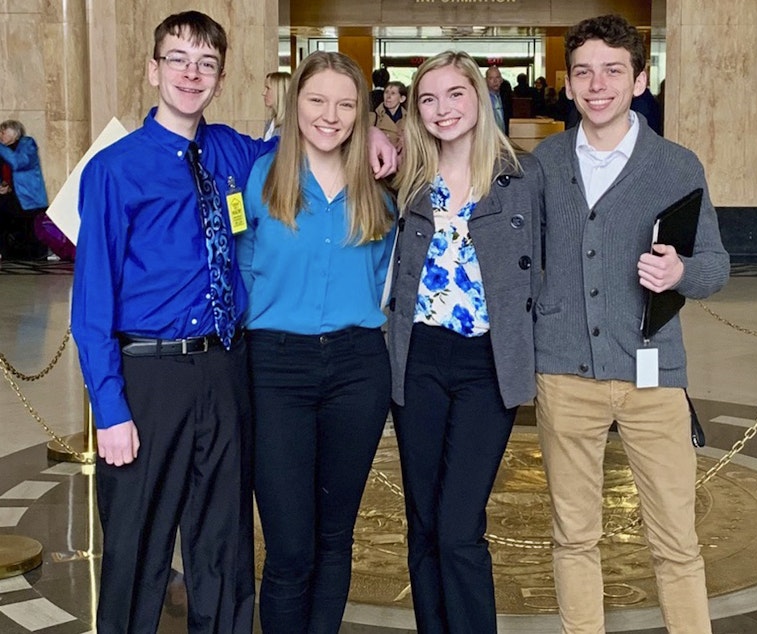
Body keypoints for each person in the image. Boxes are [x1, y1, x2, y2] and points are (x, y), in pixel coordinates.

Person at [71, 11, 397, 633]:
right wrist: (108, 409)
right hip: (150, 373)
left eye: (206, 64)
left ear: (220, 78)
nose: (191, 74)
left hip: (225, 368)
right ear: (152, 69)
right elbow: (90, 304)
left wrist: (379, 134)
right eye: (178, 60)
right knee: (138, 544)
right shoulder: (114, 170)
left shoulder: (231, 151)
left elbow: (312, 141)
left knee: (222, 546)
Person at [532, 14, 729, 634]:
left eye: (614, 70)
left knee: (676, 539)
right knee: (574, 537)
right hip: (564, 373)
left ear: (640, 79)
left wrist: (680, 275)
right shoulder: (543, 163)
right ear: (566, 83)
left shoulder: (675, 165)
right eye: (584, 72)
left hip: (654, 378)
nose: (598, 85)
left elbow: (717, 265)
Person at [237, 51, 395, 632]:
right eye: (317, 100)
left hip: (358, 367)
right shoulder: (262, 176)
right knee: (289, 548)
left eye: (346, 104)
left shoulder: (379, 186)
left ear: (363, 113)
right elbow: (243, 262)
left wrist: (383, 134)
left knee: (335, 537)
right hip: (276, 367)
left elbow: (383, 275)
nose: (330, 115)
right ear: (293, 103)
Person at [386, 50, 543, 632]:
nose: (441, 109)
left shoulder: (523, 178)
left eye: (455, 94)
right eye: (428, 98)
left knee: (458, 525)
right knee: (423, 522)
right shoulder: (407, 180)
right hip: (419, 358)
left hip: (487, 363)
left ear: (479, 97)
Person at [0, 119, 49, 260]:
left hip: (28, 201)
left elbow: (18, 163)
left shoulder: (27, 144)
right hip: (10, 197)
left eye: (3, 132)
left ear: (15, 133)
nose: (0, 135)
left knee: (31, 244)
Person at [371, 79, 407, 152]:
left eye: (393, 93)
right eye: (386, 92)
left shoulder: (410, 119)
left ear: (402, 99)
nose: (388, 96)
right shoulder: (373, 117)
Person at [262, 70, 291, 140]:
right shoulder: (270, 124)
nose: (263, 93)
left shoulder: (290, 126)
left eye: (268, 88)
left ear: (279, 91)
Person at [485, 65, 510, 135]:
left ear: (501, 80)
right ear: (486, 80)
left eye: (497, 77)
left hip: (504, 138)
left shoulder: (506, 98)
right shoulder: (482, 99)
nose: (495, 81)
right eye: (491, 78)